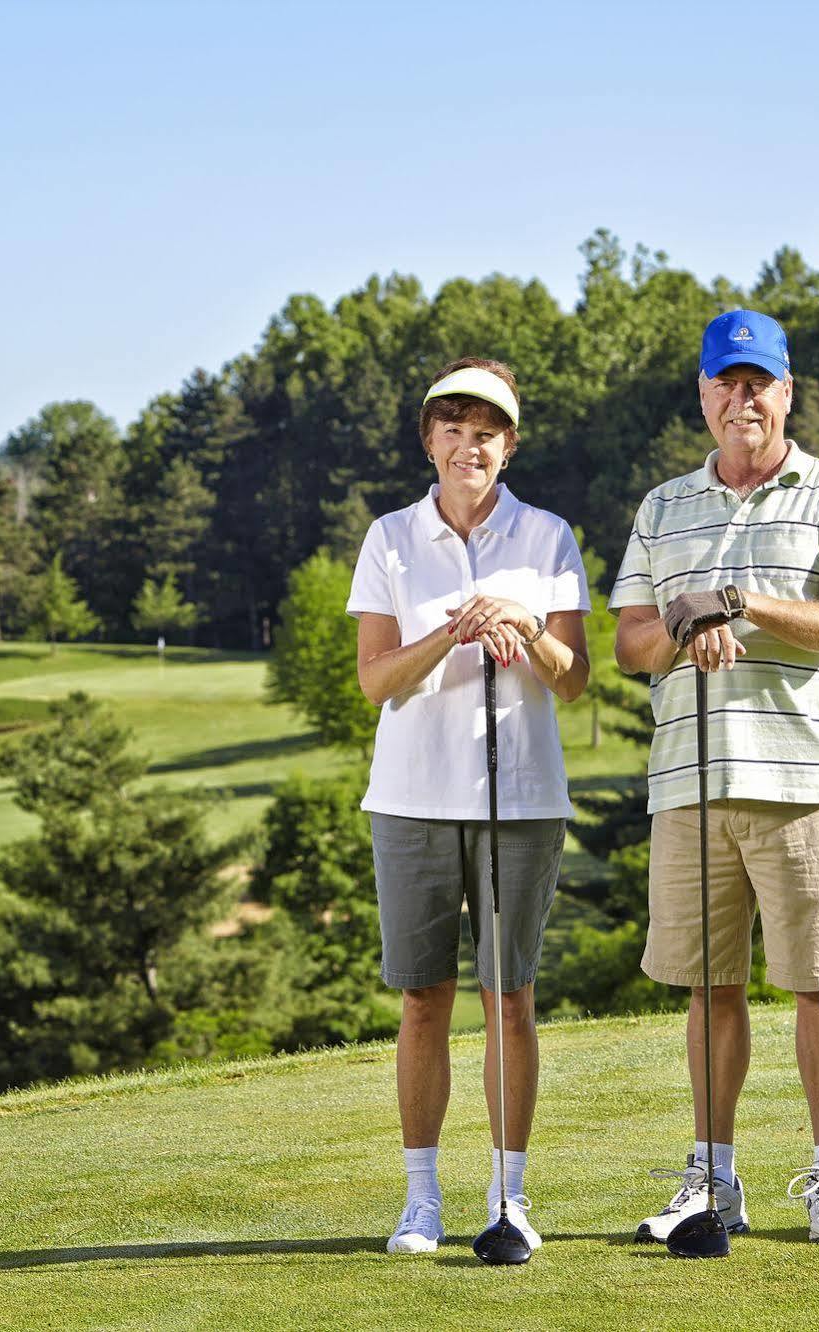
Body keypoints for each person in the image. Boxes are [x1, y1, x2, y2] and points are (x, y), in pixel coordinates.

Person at [609, 310, 819, 1243]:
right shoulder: (661, 508)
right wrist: (685, 625)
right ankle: (712, 1178)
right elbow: (629, 647)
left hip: (805, 775)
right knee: (708, 988)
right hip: (689, 781)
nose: (742, 399)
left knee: (816, 983)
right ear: (701, 394)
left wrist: (733, 600)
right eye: (724, 383)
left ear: (786, 392)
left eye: (758, 383)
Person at [348, 357, 592, 1256]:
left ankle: (506, 1197)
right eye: (450, 429)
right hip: (411, 798)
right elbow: (377, 680)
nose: (467, 445)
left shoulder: (547, 537)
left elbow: (575, 682)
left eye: (484, 431)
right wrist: (449, 631)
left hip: (521, 798)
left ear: (508, 444)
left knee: (510, 998)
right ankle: (421, 1200)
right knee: (423, 1002)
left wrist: (522, 627)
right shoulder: (391, 538)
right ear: (429, 440)